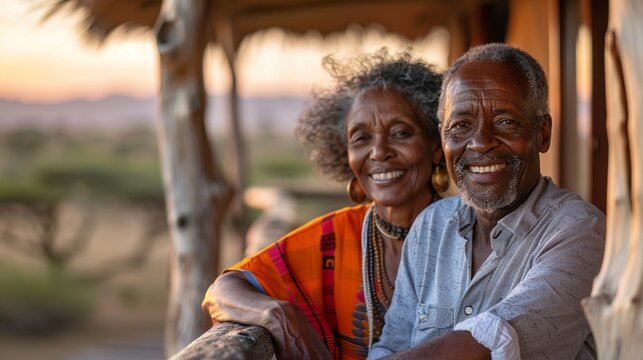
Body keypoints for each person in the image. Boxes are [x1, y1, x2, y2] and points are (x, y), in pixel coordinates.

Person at [202, 49, 446, 360]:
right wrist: (279, 315)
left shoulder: (472, 235)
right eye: (361, 138)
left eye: (400, 133)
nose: (379, 152)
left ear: (437, 147)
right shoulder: (333, 238)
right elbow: (222, 291)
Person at [368, 43, 605, 360]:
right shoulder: (431, 226)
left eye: (505, 121)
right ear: (443, 138)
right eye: (461, 125)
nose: (480, 143)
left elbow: (491, 343)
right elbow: (391, 346)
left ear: (543, 134)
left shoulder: (580, 231)